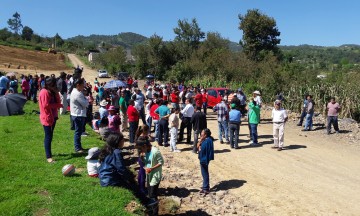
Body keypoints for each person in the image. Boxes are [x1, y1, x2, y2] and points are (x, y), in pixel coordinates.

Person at [136, 136, 164, 214]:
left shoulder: (155, 151)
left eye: (141, 149)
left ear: (145, 146)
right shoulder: (145, 152)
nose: (141, 151)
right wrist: (142, 160)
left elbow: (161, 162)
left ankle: (155, 212)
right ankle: (151, 210)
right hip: (149, 175)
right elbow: (145, 163)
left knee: (152, 195)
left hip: (155, 175)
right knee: (149, 193)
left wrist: (151, 168)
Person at [38, 77, 63, 163]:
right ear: (49, 85)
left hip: (53, 116)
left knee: (50, 135)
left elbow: (58, 101)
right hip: (47, 117)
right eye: (53, 85)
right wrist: (57, 105)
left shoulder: (51, 91)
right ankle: (49, 157)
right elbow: (46, 105)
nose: (55, 86)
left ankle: (48, 152)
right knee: (48, 136)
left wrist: (56, 94)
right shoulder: (45, 92)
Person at [70, 78, 88, 153]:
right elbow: (85, 104)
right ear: (78, 85)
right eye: (82, 85)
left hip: (77, 113)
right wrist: (86, 100)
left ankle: (79, 146)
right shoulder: (77, 93)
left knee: (79, 131)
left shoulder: (76, 91)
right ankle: (77, 148)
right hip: (78, 114)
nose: (83, 87)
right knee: (78, 132)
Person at [197, 128, 214, 195]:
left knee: (205, 173)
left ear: (205, 135)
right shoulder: (205, 140)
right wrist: (200, 140)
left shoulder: (208, 141)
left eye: (202, 134)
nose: (201, 135)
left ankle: (206, 188)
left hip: (204, 159)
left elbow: (201, 149)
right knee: (204, 172)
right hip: (203, 158)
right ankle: (205, 185)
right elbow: (197, 146)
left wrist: (200, 144)